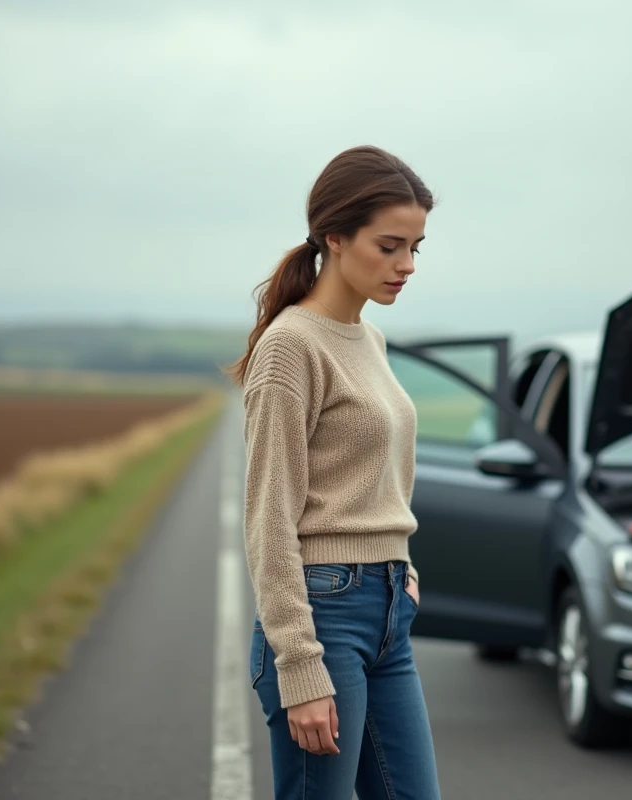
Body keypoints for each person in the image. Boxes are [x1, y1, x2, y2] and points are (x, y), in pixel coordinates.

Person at [226, 145, 441, 799]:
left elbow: (376, 476)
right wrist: (299, 666)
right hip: (322, 617)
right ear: (335, 238)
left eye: (416, 248)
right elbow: (269, 519)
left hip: (387, 613)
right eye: (389, 246)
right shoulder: (291, 348)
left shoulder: (369, 339)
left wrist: (401, 566)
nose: (407, 265)